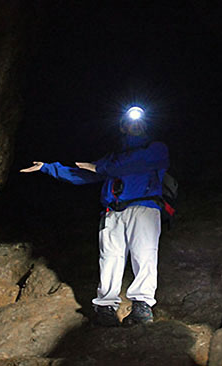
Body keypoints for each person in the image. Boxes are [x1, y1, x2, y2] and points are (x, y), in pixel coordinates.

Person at [20, 107, 169, 327]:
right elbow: (83, 174)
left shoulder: (156, 148)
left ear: (146, 125)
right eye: (130, 121)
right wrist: (47, 168)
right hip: (112, 212)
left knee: (144, 255)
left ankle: (142, 307)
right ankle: (106, 308)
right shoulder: (112, 158)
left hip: (144, 207)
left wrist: (100, 167)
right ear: (122, 126)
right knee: (109, 259)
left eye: (140, 121)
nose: (135, 125)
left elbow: (134, 163)